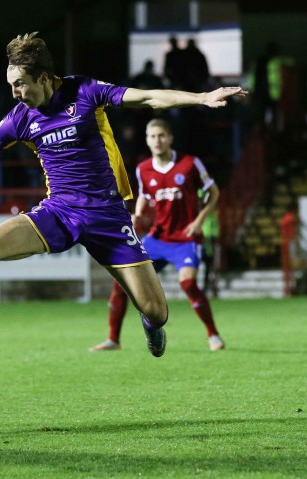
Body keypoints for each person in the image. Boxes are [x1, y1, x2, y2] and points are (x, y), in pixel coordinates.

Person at [0, 32, 246, 359]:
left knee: (157, 311)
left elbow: (146, 98)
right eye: (10, 86)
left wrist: (200, 98)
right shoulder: (20, 119)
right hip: (59, 211)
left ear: (44, 77)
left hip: (108, 215)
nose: (15, 93)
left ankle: (151, 323)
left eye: (20, 84)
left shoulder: (85, 91)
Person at [90, 119, 225, 352]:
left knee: (189, 283)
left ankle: (213, 335)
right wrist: (139, 213)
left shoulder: (190, 164)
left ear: (170, 138)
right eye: (152, 136)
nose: (157, 141)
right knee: (122, 283)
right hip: (158, 238)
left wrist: (198, 221)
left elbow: (213, 192)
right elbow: (144, 194)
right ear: (147, 140)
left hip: (185, 238)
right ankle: (113, 339)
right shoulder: (143, 169)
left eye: (161, 135)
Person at [279, 201, 299, 297]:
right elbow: (293, 233)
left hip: (284, 243)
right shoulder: (290, 218)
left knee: (287, 269)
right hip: (289, 244)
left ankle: (287, 289)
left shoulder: (284, 219)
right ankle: (291, 289)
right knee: (291, 267)